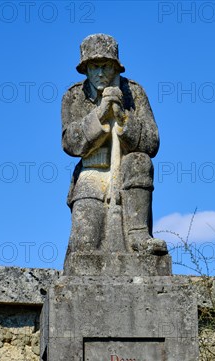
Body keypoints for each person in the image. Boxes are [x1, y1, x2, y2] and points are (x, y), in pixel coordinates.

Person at [62, 33, 167, 262]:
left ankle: (138, 234)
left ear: (116, 68)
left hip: (127, 174)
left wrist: (123, 119)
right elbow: (70, 144)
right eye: (94, 67)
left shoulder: (134, 93)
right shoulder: (74, 97)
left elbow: (152, 142)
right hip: (92, 173)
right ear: (86, 69)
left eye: (106, 67)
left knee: (140, 160)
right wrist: (99, 115)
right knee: (85, 247)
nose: (100, 73)